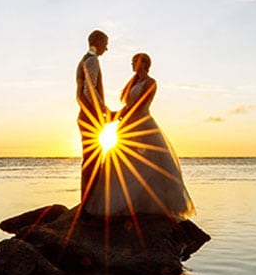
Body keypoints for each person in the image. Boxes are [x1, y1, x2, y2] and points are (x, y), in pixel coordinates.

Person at [88, 52, 195, 220]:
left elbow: (139, 105)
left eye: (135, 61)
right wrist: (113, 116)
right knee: (122, 161)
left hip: (143, 123)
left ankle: (152, 204)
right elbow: (128, 105)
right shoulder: (132, 83)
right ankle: (124, 202)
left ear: (144, 63)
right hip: (128, 123)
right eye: (132, 62)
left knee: (152, 163)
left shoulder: (151, 83)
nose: (132, 64)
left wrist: (117, 116)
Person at [76, 30, 110, 209]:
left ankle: (88, 202)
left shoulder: (83, 60)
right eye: (105, 43)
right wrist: (104, 111)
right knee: (93, 160)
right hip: (91, 116)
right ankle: (89, 205)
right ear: (97, 42)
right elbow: (90, 90)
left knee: (90, 159)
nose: (107, 48)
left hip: (85, 115)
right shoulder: (93, 60)